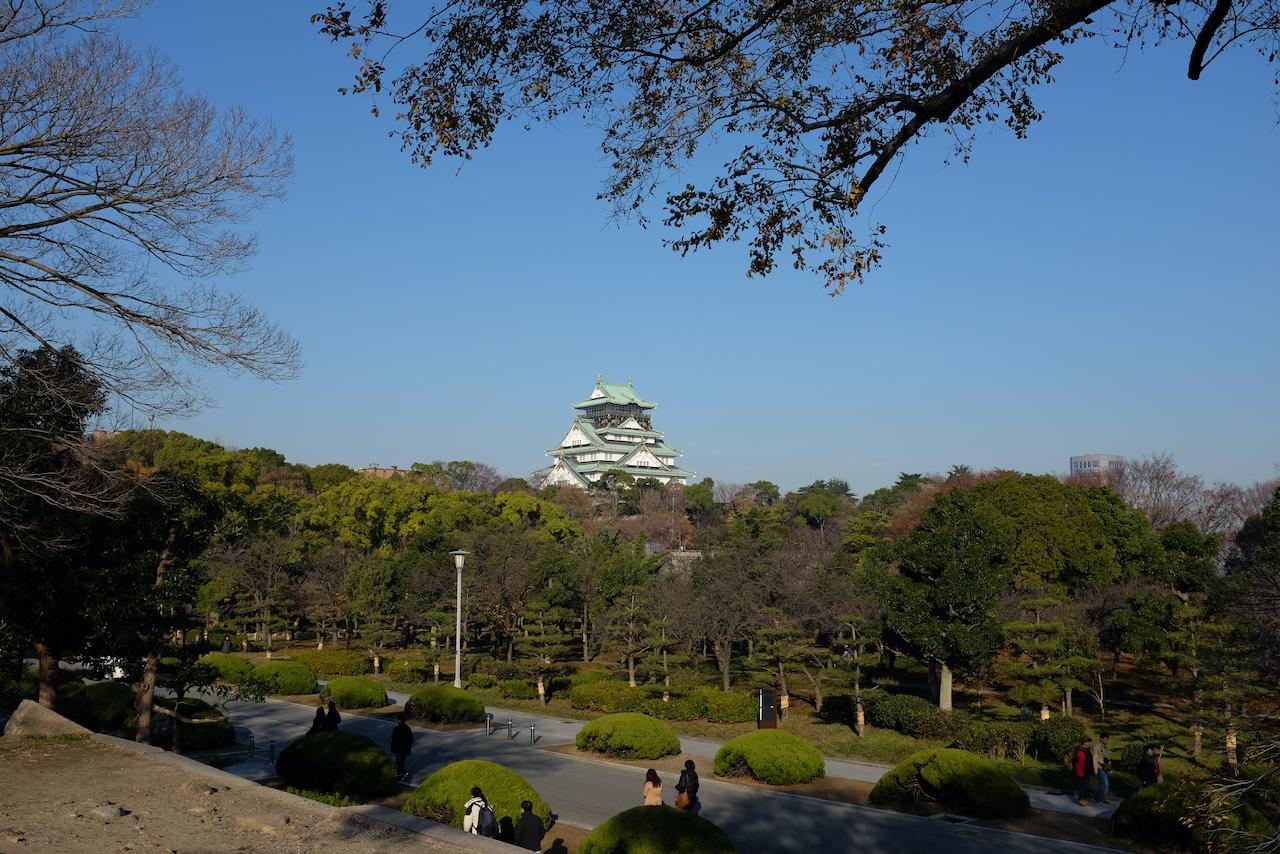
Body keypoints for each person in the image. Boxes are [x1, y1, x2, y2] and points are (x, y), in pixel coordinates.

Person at [1072, 736, 1094, 805]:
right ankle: (1081, 799)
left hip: (1086, 771)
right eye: (1088, 742)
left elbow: (1089, 761)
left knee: (1086, 786)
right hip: (1080, 772)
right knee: (1083, 786)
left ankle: (1084, 799)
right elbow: (1074, 760)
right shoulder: (1078, 750)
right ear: (1084, 742)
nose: (1090, 743)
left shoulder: (1087, 750)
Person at [390, 714, 413, 779]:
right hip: (405, 749)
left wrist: (393, 748)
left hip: (398, 749)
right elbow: (411, 739)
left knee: (399, 762)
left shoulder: (397, 728)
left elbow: (394, 739)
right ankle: (399, 773)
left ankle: (403, 774)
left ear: (400, 720)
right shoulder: (408, 728)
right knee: (401, 761)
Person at [1091, 734, 1111, 803]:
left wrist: (1109, 764)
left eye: (1107, 739)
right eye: (1105, 739)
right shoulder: (1096, 747)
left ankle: (1098, 796)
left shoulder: (1105, 747)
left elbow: (1107, 757)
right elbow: (1094, 759)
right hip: (1099, 768)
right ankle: (1099, 797)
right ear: (1101, 739)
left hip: (1105, 768)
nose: (1106, 741)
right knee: (1105, 784)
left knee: (1102, 784)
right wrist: (1095, 770)